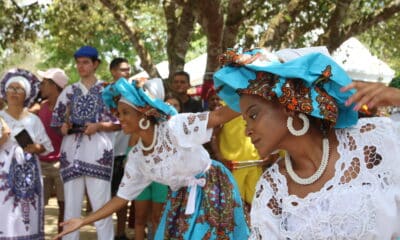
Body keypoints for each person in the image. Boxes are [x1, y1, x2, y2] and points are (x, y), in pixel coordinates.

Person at [213, 48, 400, 239]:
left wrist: (397, 97)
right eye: (245, 121)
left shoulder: (374, 141)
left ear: (289, 104)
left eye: (254, 115)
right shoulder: (272, 189)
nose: (247, 130)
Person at [53, 77, 250, 240]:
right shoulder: (138, 158)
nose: (119, 118)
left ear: (144, 114)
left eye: (125, 112)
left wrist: (253, 97)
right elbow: (121, 198)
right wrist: (83, 221)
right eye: (118, 113)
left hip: (212, 188)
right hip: (180, 198)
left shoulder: (175, 127)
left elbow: (218, 117)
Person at [51, 46, 118, 240]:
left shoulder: (108, 91)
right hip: (72, 154)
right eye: (78, 62)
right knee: (71, 209)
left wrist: (98, 126)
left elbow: (121, 122)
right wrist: (63, 127)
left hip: (98, 154)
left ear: (96, 64)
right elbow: (56, 121)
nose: (81, 66)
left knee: (102, 208)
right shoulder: (69, 92)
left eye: (86, 62)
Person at [0, 68, 54, 239]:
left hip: (29, 176)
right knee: (5, 213)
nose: (14, 92)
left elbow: (46, 146)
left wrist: (36, 148)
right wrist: (3, 138)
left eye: (19, 89)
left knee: (28, 213)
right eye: (11, 88)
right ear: (5, 91)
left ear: (27, 94)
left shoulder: (33, 120)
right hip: (3, 175)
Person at [206, 87, 263, 211]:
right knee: (234, 206)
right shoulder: (223, 108)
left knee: (257, 204)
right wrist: (220, 158)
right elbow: (213, 135)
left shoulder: (255, 104)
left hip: (255, 164)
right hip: (234, 166)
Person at [37, 68, 68, 235]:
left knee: (64, 206)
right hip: (41, 163)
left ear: (54, 86)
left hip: (62, 164)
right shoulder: (40, 107)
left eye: (44, 83)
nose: (40, 86)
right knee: (39, 207)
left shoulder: (68, 109)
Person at [109, 57, 132, 240]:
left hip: (124, 154)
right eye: (123, 70)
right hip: (104, 154)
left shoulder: (133, 93)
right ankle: (107, 232)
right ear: (113, 71)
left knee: (122, 195)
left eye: (129, 69)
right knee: (105, 197)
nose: (127, 73)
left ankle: (120, 233)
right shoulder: (104, 94)